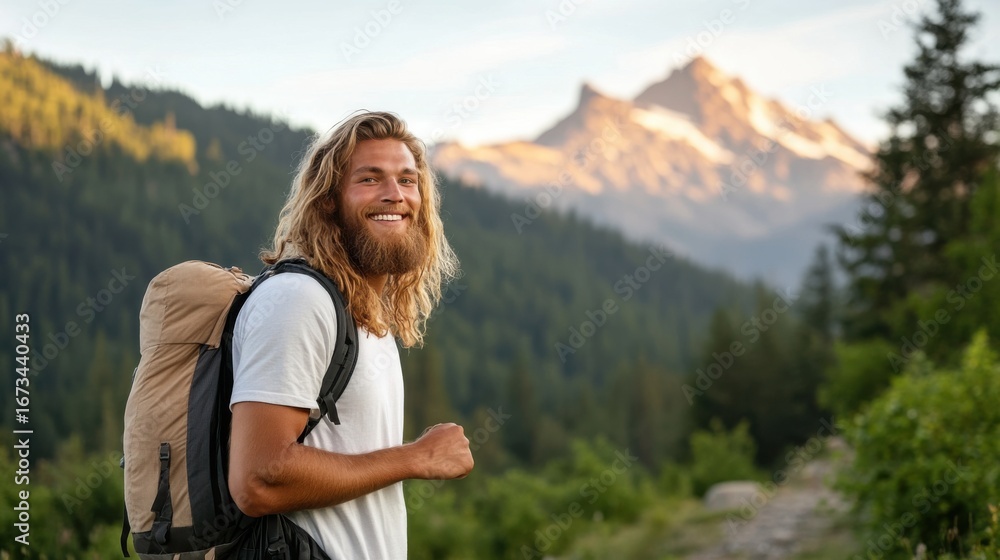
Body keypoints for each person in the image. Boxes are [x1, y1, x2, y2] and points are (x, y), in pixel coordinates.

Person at [227, 111, 474, 559]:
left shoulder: (361, 315)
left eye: (407, 179)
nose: (394, 195)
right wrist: (415, 457)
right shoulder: (299, 300)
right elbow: (257, 479)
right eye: (369, 179)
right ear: (328, 202)